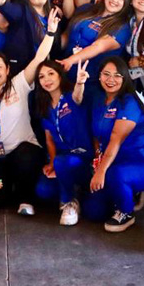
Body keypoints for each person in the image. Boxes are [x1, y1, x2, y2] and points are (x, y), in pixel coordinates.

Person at [0, 12, 59, 215]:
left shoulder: (19, 84)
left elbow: (39, 59)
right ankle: (8, 185)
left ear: (7, 69)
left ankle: (25, 200)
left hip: (23, 153)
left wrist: (51, 32)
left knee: (25, 156)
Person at [86, 56, 144, 232]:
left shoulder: (129, 102)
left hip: (143, 162)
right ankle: (122, 194)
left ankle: (126, 212)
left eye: (117, 75)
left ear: (124, 77)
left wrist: (101, 171)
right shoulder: (98, 99)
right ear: (99, 76)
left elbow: (115, 139)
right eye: (106, 74)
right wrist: (97, 157)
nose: (111, 80)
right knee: (93, 212)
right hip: (112, 161)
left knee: (117, 174)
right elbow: (96, 134)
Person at [34, 58, 90, 226]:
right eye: (42, 77)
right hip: (62, 160)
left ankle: (69, 201)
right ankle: (73, 190)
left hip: (83, 158)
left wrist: (80, 83)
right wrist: (52, 163)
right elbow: (49, 139)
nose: (47, 80)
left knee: (63, 162)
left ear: (60, 75)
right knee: (42, 190)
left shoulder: (71, 96)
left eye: (51, 74)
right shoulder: (45, 105)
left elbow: (77, 96)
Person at [58, 0, 134, 101]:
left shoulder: (122, 28)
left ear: (126, 4)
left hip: (90, 84)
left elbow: (98, 46)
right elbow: (67, 35)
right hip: (64, 76)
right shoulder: (86, 9)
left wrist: (69, 61)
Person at [0, 0, 58, 76]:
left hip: (44, 71)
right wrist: (2, 2)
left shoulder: (52, 13)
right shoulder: (22, 10)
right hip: (22, 70)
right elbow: (9, 9)